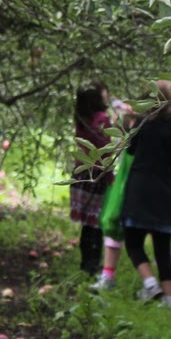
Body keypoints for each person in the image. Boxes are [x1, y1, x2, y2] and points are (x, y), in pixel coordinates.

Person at [120, 80, 171, 310]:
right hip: (166, 192)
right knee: (163, 247)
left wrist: (127, 121)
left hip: (139, 191)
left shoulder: (142, 126)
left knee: (133, 242)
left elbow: (129, 149)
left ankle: (150, 284)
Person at [70, 83, 116, 276]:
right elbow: (105, 151)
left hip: (81, 174)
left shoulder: (82, 118)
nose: (107, 94)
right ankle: (92, 266)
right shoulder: (102, 119)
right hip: (97, 176)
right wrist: (110, 176)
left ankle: (86, 263)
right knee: (96, 224)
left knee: (87, 224)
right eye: (103, 91)